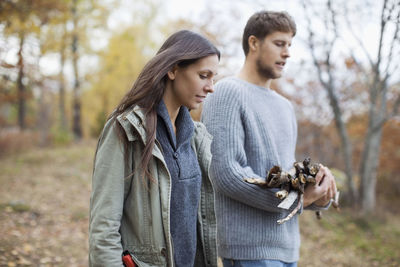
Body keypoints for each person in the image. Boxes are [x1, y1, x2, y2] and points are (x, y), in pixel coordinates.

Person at [201, 11, 337, 267]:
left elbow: (283, 177)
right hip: (248, 249)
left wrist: (315, 192)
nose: (287, 53)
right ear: (254, 43)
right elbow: (225, 174)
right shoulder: (226, 93)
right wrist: (295, 200)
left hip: (287, 249)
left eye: (289, 45)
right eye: (279, 44)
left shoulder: (285, 107)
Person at [89, 30, 220, 267]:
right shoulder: (126, 130)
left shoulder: (196, 137)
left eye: (213, 78)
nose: (211, 87)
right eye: (203, 75)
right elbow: (103, 228)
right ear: (172, 70)